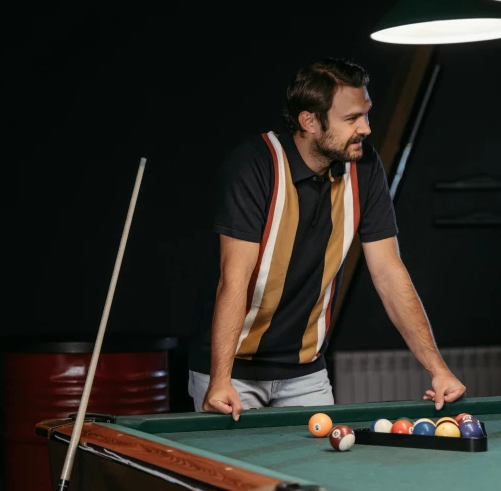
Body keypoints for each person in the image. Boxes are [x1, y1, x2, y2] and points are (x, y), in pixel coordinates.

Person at [187, 57, 465, 420]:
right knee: (236, 478)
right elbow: (233, 278)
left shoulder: (364, 167)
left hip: (306, 374)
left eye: (366, 114)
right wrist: (220, 379)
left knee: (320, 475)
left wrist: (437, 369)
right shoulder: (254, 165)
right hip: (231, 374)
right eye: (351, 119)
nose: (366, 128)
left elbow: (389, 272)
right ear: (309, 121)